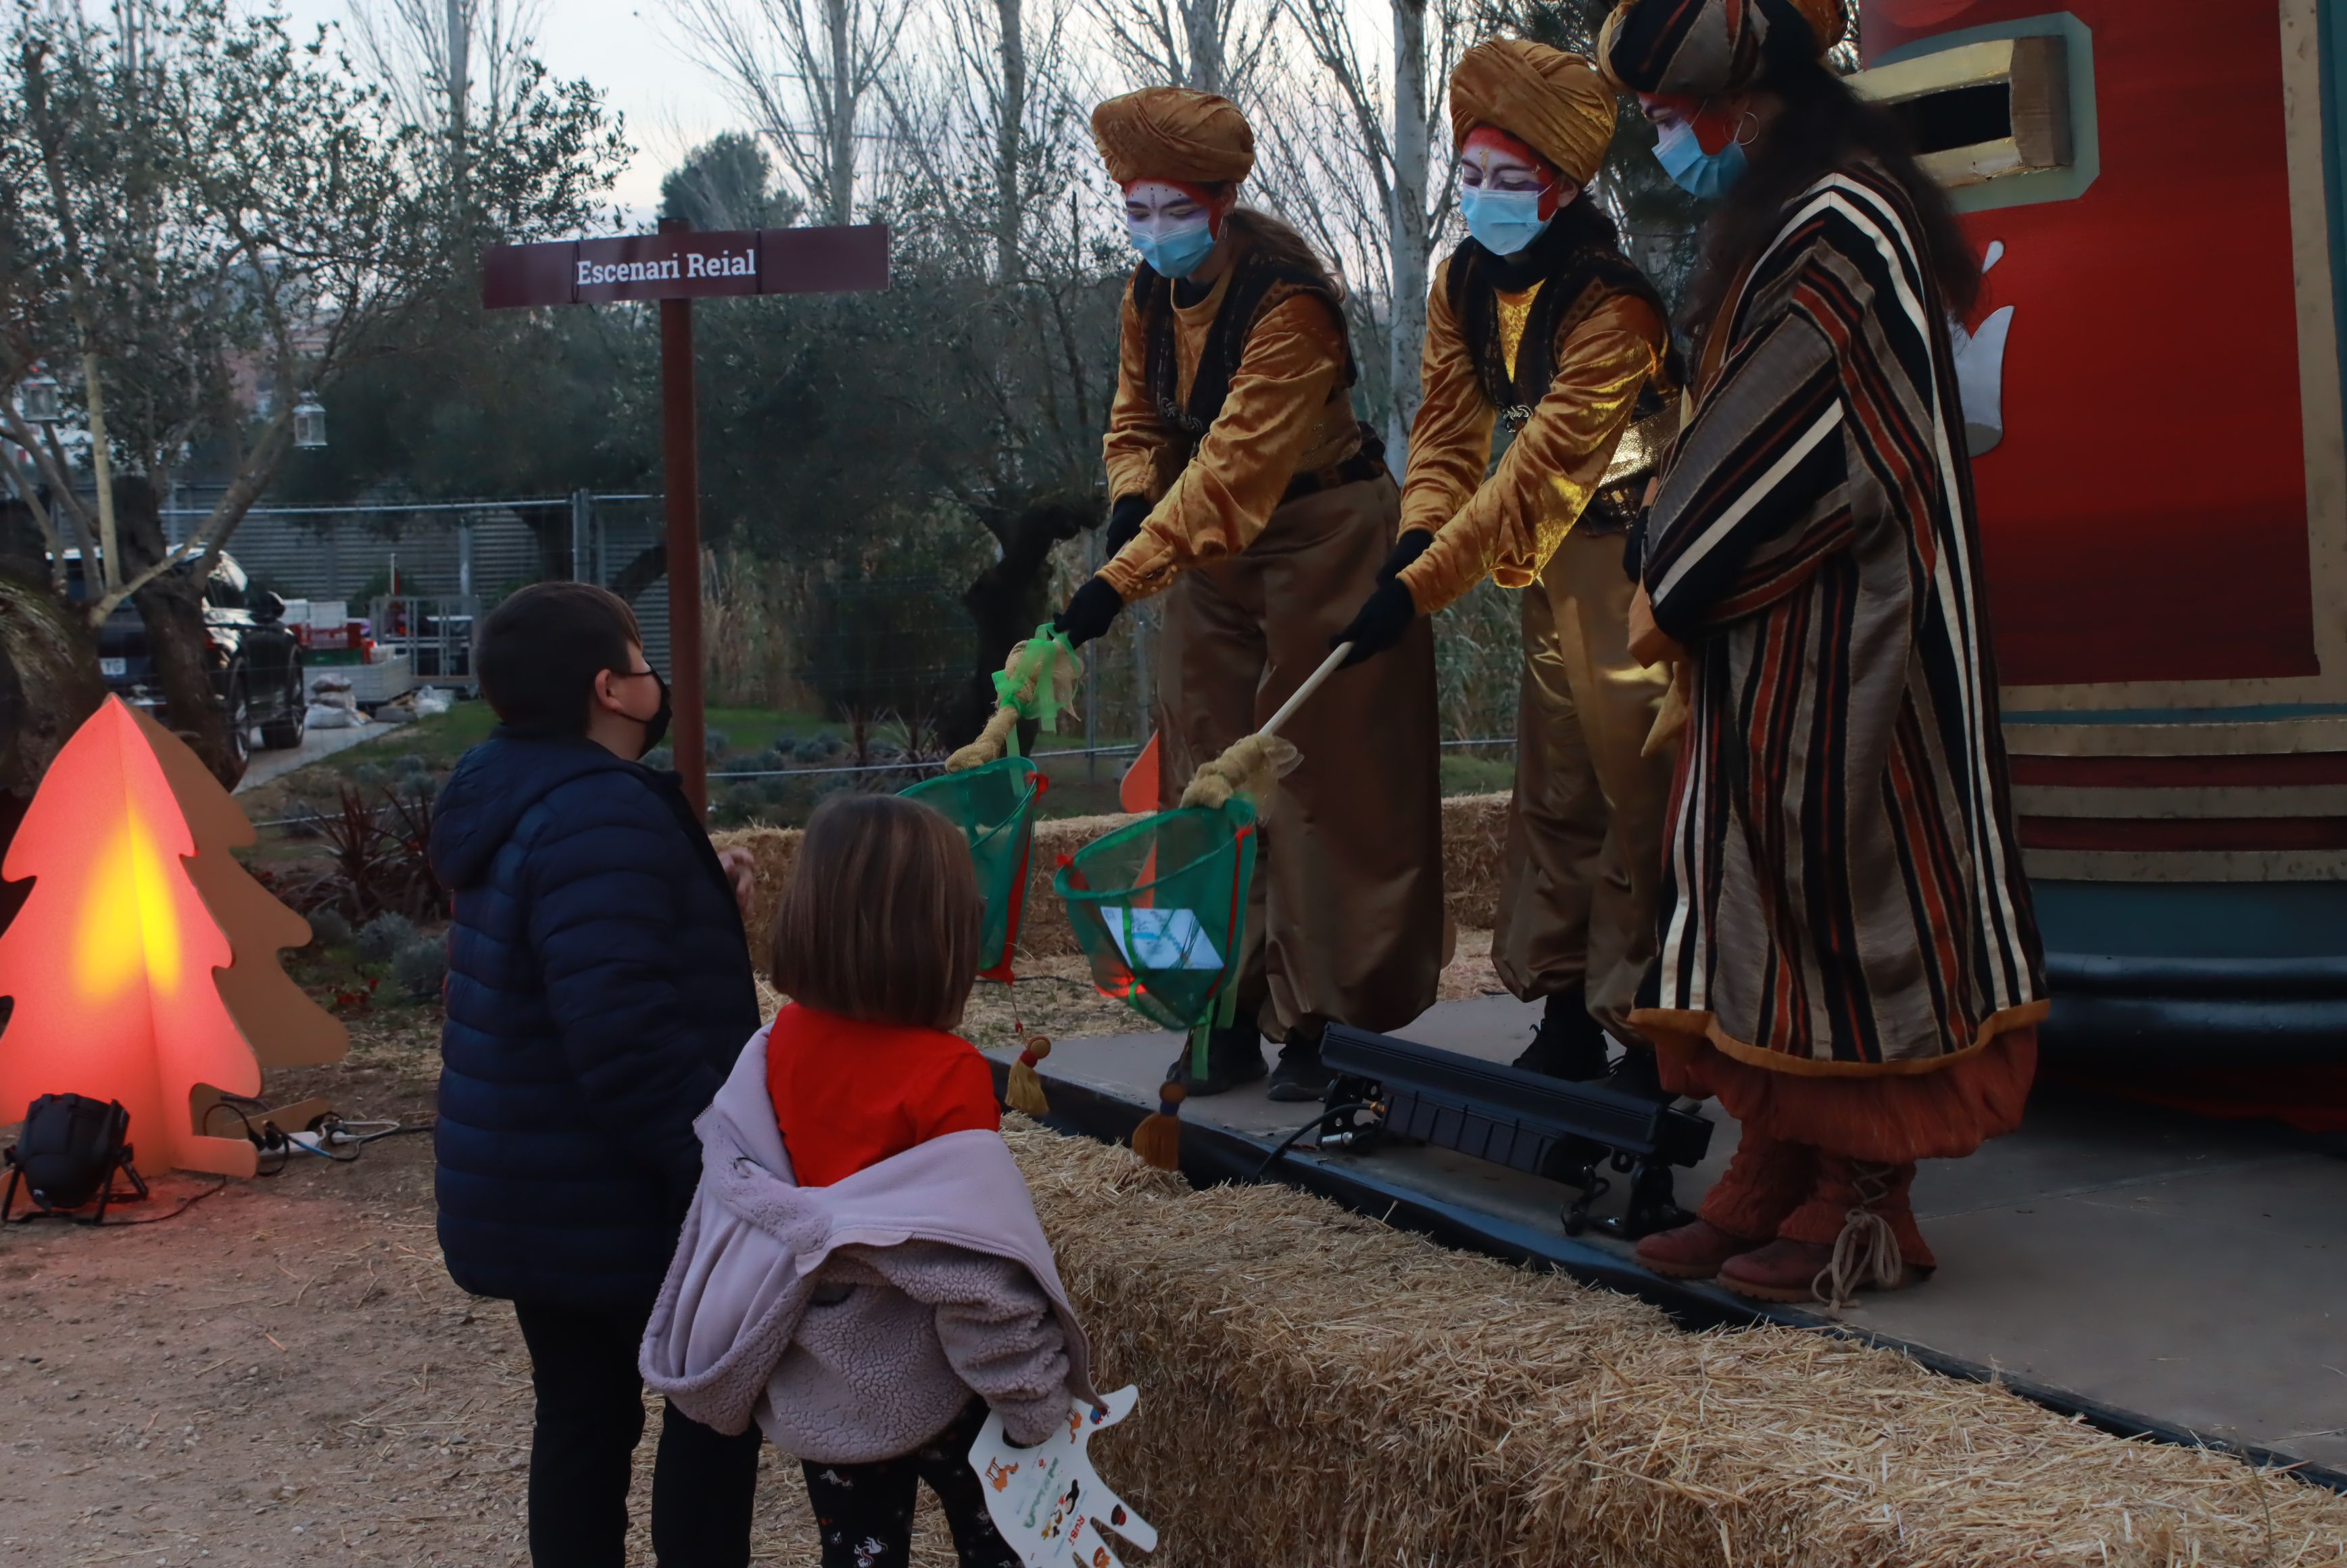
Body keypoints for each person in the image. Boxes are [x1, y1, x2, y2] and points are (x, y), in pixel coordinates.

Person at [1594, 0, 2048, 1306]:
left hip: (1859, 621)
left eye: (1676, 120)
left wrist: (1668, 550)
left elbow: (1786, 422)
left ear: (1747, 106)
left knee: (1854, 885)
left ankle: (1866, 1194)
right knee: (1768, 884)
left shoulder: (1842, 219)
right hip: (1778, 617)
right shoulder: (1790, 209)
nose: (1669, 144)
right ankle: (1776, 1156)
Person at [1055, 85, 1446, 1102]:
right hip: (1206, 552)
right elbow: (1139, 417)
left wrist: (1116, 582)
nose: (1152, 230)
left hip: (1323, 529)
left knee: (1320, 780)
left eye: (1170, 208)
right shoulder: (1147, 291)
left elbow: (1236, 473)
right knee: (1201, 775)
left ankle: (1326, 1023)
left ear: (1220, 201)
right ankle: (1218, 1011)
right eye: (1135, 209)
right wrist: (1131, 503)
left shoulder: (1292, 306)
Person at [1333, 39, 1683, 1086]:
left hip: (1640, 564)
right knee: (1554, 790)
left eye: (1510, 182)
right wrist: (1413, 535)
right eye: (1470, 177)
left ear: (1566, 185)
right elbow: (1448, 433)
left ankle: (1654, 1024)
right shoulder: (1465, 282)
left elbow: (1538, 467)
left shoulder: (1613, 306)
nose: (1483, 198)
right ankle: (1566, 1002)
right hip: (1548, 566)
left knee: (1640, 794)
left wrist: (1421, 587)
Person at [641, 793, 1099, 1568]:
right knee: (1008, 1548)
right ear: (943, 931)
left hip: (830, 1382)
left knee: (858, 1552)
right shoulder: (947, 1073)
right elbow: (967, 1272)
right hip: (946, 1389)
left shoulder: (775, 1045)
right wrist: (1035, 1406)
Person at [431, 582, 765, 1567]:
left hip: (539, 1184)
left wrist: (695, 893)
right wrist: (719, 1177)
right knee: (713, 1411)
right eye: (641, 658)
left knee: (582, 1420)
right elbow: (622, 1033)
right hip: (617, 1189)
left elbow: (581, 957)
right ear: (611, 690)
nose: (656, 677)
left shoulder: (523, 792)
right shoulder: (598, 813)